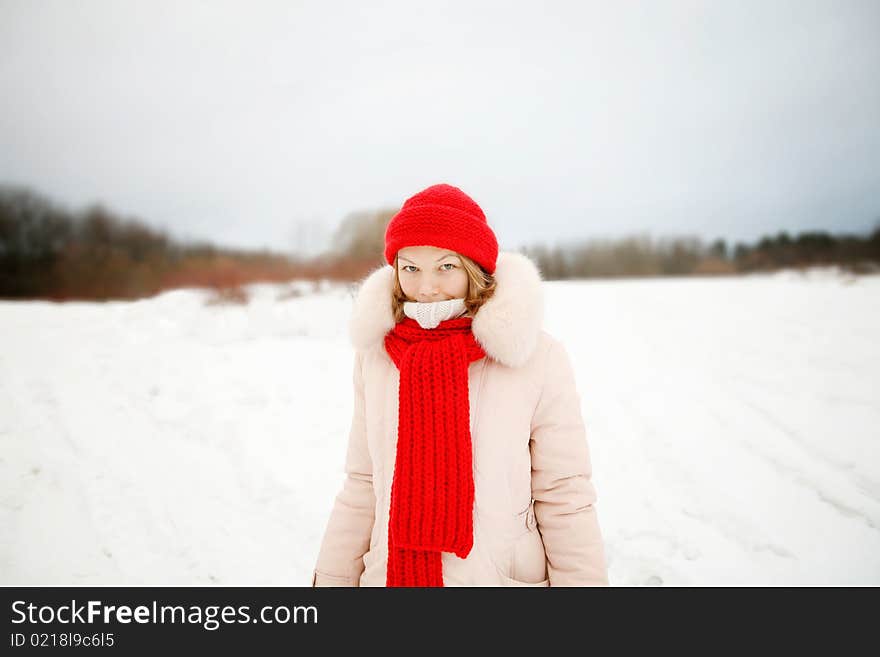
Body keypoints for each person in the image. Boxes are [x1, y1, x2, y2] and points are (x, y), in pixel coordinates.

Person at [311, 183, 609, 587]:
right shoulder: (378, 357)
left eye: (446, 266)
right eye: (410, 267)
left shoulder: (535, 357)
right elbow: (363, 484)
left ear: (474, 268)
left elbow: (564, 493)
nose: (426, 286)